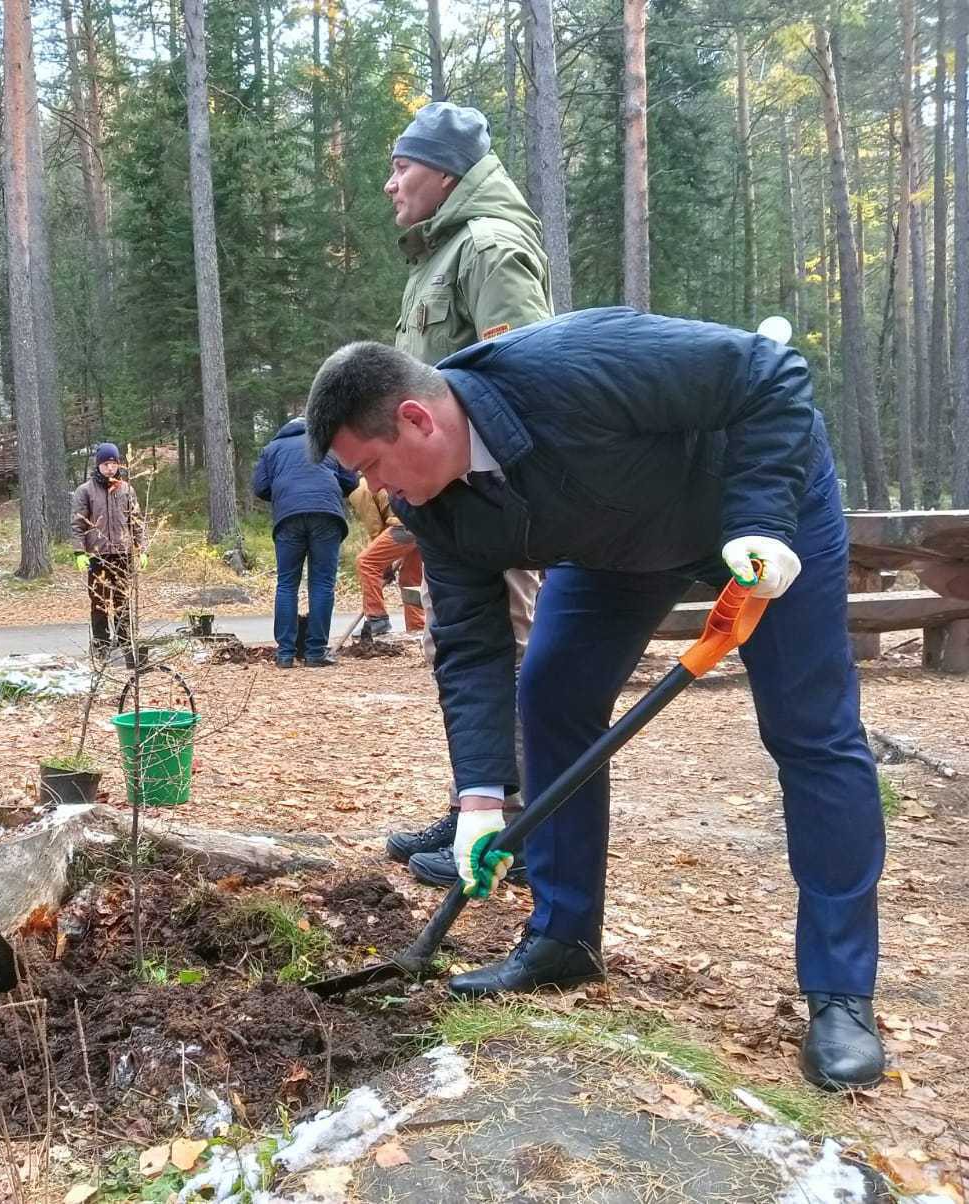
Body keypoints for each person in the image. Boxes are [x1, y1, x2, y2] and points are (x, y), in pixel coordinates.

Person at [305, 309, 887, 1091]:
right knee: (553, 693)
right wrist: (480, 798)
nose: (375, 491)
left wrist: (761, 520)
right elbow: (472, 649)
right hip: (616, 546)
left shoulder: (570, 364)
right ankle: (563, 937)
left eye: (373, 466)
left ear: (416, 419)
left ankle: (841, 992)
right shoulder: (432, 509)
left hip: (759, 510)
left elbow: (768, 374)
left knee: (809, 730)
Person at [381, 100, 551, 880]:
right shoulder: (440, 254)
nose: (391, 185)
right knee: (457, 649)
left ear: (445, 173)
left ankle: (512, 829)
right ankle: (473, 805)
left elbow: (525, 379)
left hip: (494, 502)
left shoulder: (487, 247)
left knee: (502, 650)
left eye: (402, 167)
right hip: (451, 505)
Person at [252, 418, 356, 668]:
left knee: (287, 583)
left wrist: (284, 494)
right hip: (326, 515)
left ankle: (285, 654)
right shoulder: (328, 444)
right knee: (322, 583)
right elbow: (352, 481)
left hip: (288, 517)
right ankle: (315, 652)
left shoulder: (272, 448)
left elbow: (260, 487)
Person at [71, 443, 143, 654]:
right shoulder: (85, 491)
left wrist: (141, 549)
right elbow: (78, 524)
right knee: (99, 601)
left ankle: (125, 641)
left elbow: (136, 522)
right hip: (98, 556)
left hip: (123, 554)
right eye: (105, 464)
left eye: (113, 463)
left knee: (123, 599)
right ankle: (101, 643)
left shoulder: (127, 490)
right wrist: (79, 552)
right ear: (98, 465)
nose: (110, 468)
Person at [347, 477, 424, 637]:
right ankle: (417, 627)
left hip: (402, 525)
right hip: (420, 523)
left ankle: (377, 619)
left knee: (366, 562)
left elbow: (375, 527)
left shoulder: (358, 489)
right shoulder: (376, 478)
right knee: (411, 580)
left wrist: (385, 565)